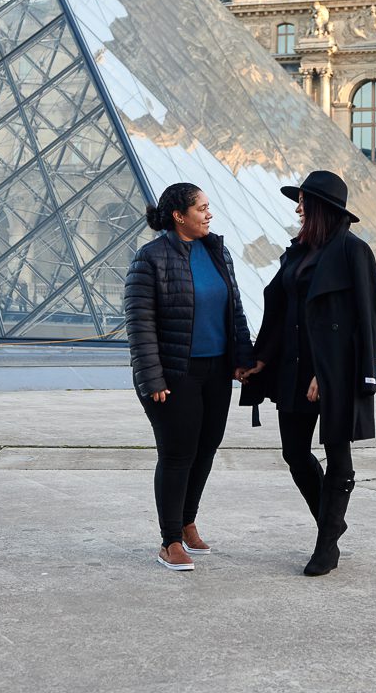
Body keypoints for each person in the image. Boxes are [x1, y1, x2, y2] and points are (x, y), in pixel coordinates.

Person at [240, 171, 376, 576]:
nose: (298, 208)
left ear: (321, 206)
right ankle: (331, 522)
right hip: (292, 367)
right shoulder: (296, 253)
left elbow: (366, 322)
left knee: (338, 453)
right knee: (294, 452)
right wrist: (261, 358)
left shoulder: (354, 253)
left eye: (303, 201)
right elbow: (282, 312)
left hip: (332, 371)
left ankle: (327, 544)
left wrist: (335, 372)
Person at [125, 183, 253, 572]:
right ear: (179, 216)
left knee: (206, 448)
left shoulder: (217, 251)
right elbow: (139, 324)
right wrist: (153, 378)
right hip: (174, 374)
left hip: (216, 371)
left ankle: (187, 520)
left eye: (208, 206)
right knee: (178, 454)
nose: (208, 214)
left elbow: (235, 309)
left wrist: (243, 357)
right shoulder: (151, 258)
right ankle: (169, 541)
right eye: (201, 208)